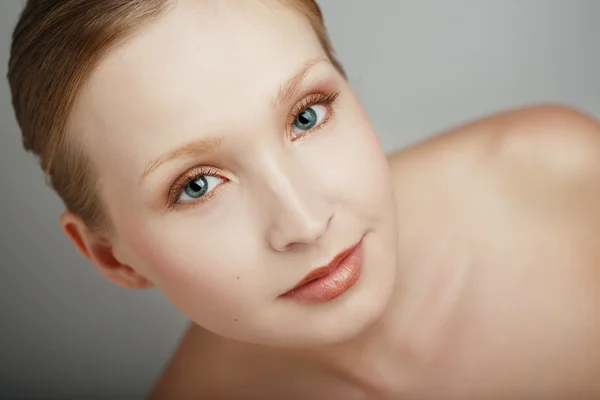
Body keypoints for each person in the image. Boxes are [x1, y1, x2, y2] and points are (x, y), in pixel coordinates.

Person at [7, 0, 600, 398]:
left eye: (307, 115)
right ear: (113, 258)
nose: (307, 222)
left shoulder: (567, 184)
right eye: (196, 186)